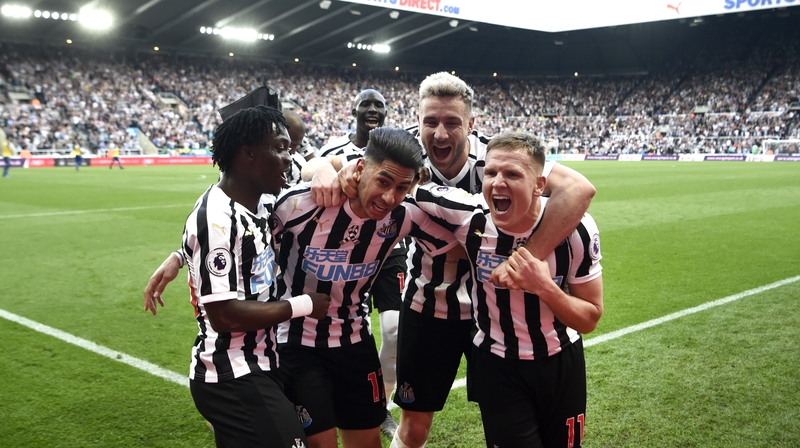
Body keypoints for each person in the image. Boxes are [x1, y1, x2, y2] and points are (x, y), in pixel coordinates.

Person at [146, 105, 331, 448]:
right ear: (248, 153)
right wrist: (304, 305)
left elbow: (314, 167)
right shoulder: (217, 218)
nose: (289, 158)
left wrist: (180, 255)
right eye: (280, 148)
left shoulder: (259, 203)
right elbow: (224, 315)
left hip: (262, 362)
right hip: (231, 374)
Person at [413, 131, 603, 447]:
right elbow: (412, 190)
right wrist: (332, 170)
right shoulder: (471, 218)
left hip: (560, 362)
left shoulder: (577, 229)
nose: (498, 183)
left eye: (512, 174)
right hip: (496, 364)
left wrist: (545, 287)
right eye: (490, 173)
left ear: (539, 185)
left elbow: (590, 318)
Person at [272, 126, 458, 448]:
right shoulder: (300, 205)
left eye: (401, 188)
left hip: (355, 343)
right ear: (360, 168)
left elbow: (462, 244)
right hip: (299, 345)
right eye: (383, 181)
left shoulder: (404, 217)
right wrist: (321, 168)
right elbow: (243, 241)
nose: (389, 197)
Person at [314, 88, 401, 438]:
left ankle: (382, 405)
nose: (373, 109)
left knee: (394, 330)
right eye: (366, 104)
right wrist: (322, 168)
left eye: (379, 105)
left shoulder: (395, 148)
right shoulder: (334, 149)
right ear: (354, 110)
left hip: (389, 247)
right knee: (339, 326)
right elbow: (311, 172)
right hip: (344, 251)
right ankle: (321, 394)